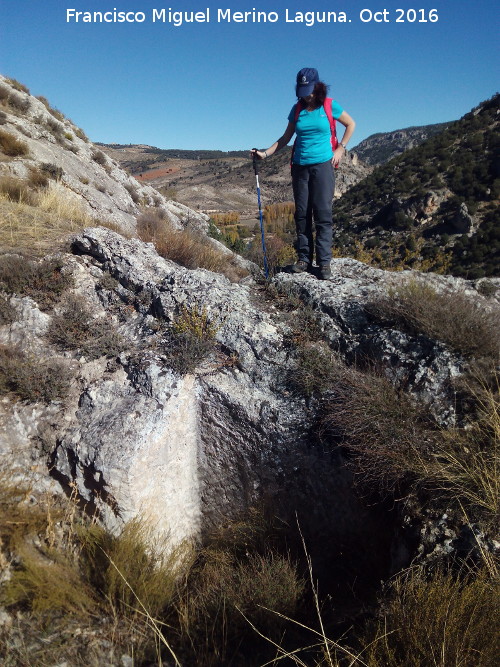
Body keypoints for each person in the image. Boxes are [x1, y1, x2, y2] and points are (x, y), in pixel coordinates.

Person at [252, 67, 355, 280]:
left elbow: (351, 123)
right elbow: (285, 138)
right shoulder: (297, 109)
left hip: (323, 166)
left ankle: (324, 263)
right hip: (299, 167)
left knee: (323, 213)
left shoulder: (329, 105)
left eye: (308, 90)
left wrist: (341, 148)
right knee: (302, 214)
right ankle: (304, 259)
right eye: (302, 91)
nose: (306, 95)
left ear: (318, 87)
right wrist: (265, 153)